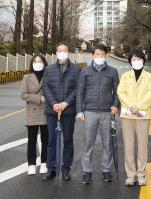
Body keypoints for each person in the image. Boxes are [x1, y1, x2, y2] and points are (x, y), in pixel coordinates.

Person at [76, 44, 119, 184]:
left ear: (105, 55)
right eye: (97, 54)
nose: (99, 57)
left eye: (102, 54)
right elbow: (80, 92)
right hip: (90, 112)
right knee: (89, 143)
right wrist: (79, 110)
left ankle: (106, 170)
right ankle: (87, 171)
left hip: (107, 112)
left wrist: (115, 105)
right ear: (92, 55)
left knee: (108, 143)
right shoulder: (85, 71)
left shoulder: (112, 71)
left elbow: (117, 92)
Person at [117, 49, 151, 186]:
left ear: (143, 61)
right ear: (130, 62)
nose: (136, 61)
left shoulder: (150, 77)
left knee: (142, 145)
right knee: (128, 146)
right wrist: (130, 106)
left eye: (139, 59)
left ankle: (141, 173)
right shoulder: (125, 76)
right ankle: (130, 174)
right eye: (134, 59)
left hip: (142, 115)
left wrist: (138, 107)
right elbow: (121, 92)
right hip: (127, 115)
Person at [42, 42, 81, 181]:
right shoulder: (49, 69)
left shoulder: (76, 69)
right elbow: (45, 87)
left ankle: (66, 169)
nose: (62, 53)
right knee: (51, 140)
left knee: (68, 140)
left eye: (65, 50)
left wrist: (65, 103)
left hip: (69, 110)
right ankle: (51, 168)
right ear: (56, 53)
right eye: (60, 50)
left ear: (68, 52)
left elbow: (78, 88)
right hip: (52, 111)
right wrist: (54, 103)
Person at [21, 54, 49, 175]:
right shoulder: (27, 77)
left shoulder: (48, 75)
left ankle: (44, 163)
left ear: (44, 63)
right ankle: (31, 165)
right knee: (31, 140)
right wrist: (39, 98)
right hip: (32, 111)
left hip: (46, 112)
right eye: (35, 61)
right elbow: (24, 95)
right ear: (32, 63)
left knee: (45, 140)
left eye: (40, 61)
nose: (37, 63)